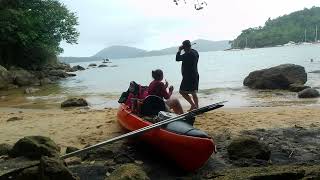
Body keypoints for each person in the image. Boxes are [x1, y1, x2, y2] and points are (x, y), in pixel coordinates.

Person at [176, 40, 199, 111]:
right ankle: (196, 107)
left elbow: (177, 58)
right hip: (195, 75)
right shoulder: (195, 52)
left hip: (188, 77)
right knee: (193, 92)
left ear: (184, 47)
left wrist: (179, 50)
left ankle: (193, 105)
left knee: (182, 91)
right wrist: (185, 49)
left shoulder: (187, 55)